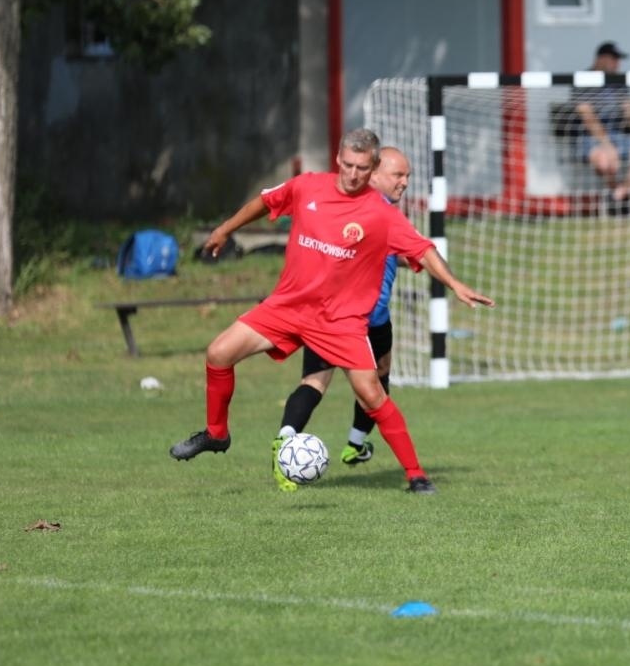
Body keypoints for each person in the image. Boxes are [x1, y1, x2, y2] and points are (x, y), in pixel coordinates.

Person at [169, 129, 494, 494]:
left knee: (371, 394)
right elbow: (265, 202)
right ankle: (216, 434)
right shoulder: (307, 186)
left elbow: (422, 250)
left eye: (362, 167)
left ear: (372, 168)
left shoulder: (380, 214)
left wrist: (454, 284)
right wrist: (225, 230)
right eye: (349, 165)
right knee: (218, 353)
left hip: (339, 322)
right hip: (288, 306)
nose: (353, 174)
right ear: (338, 159)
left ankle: (416, 475)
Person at [272, 146, 412, 491]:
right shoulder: (377, 213)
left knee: (316, 382)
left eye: (407, 176)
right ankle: (355, 443)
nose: (405, 182)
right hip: (362, 318)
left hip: (330, 315)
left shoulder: (360, 209)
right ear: (374, 174)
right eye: (398, 175)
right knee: (376, 384)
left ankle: (287, 440)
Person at [573, 41, 630, 211]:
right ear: (601, 59)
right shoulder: (582, 80)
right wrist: (606, 145)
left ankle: (618, 195)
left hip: (616, 135)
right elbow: (587, 117)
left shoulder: (618, 81)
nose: (617, 64)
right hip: (590, 138)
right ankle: (617, 197)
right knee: (606, 161)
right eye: (614, 59)